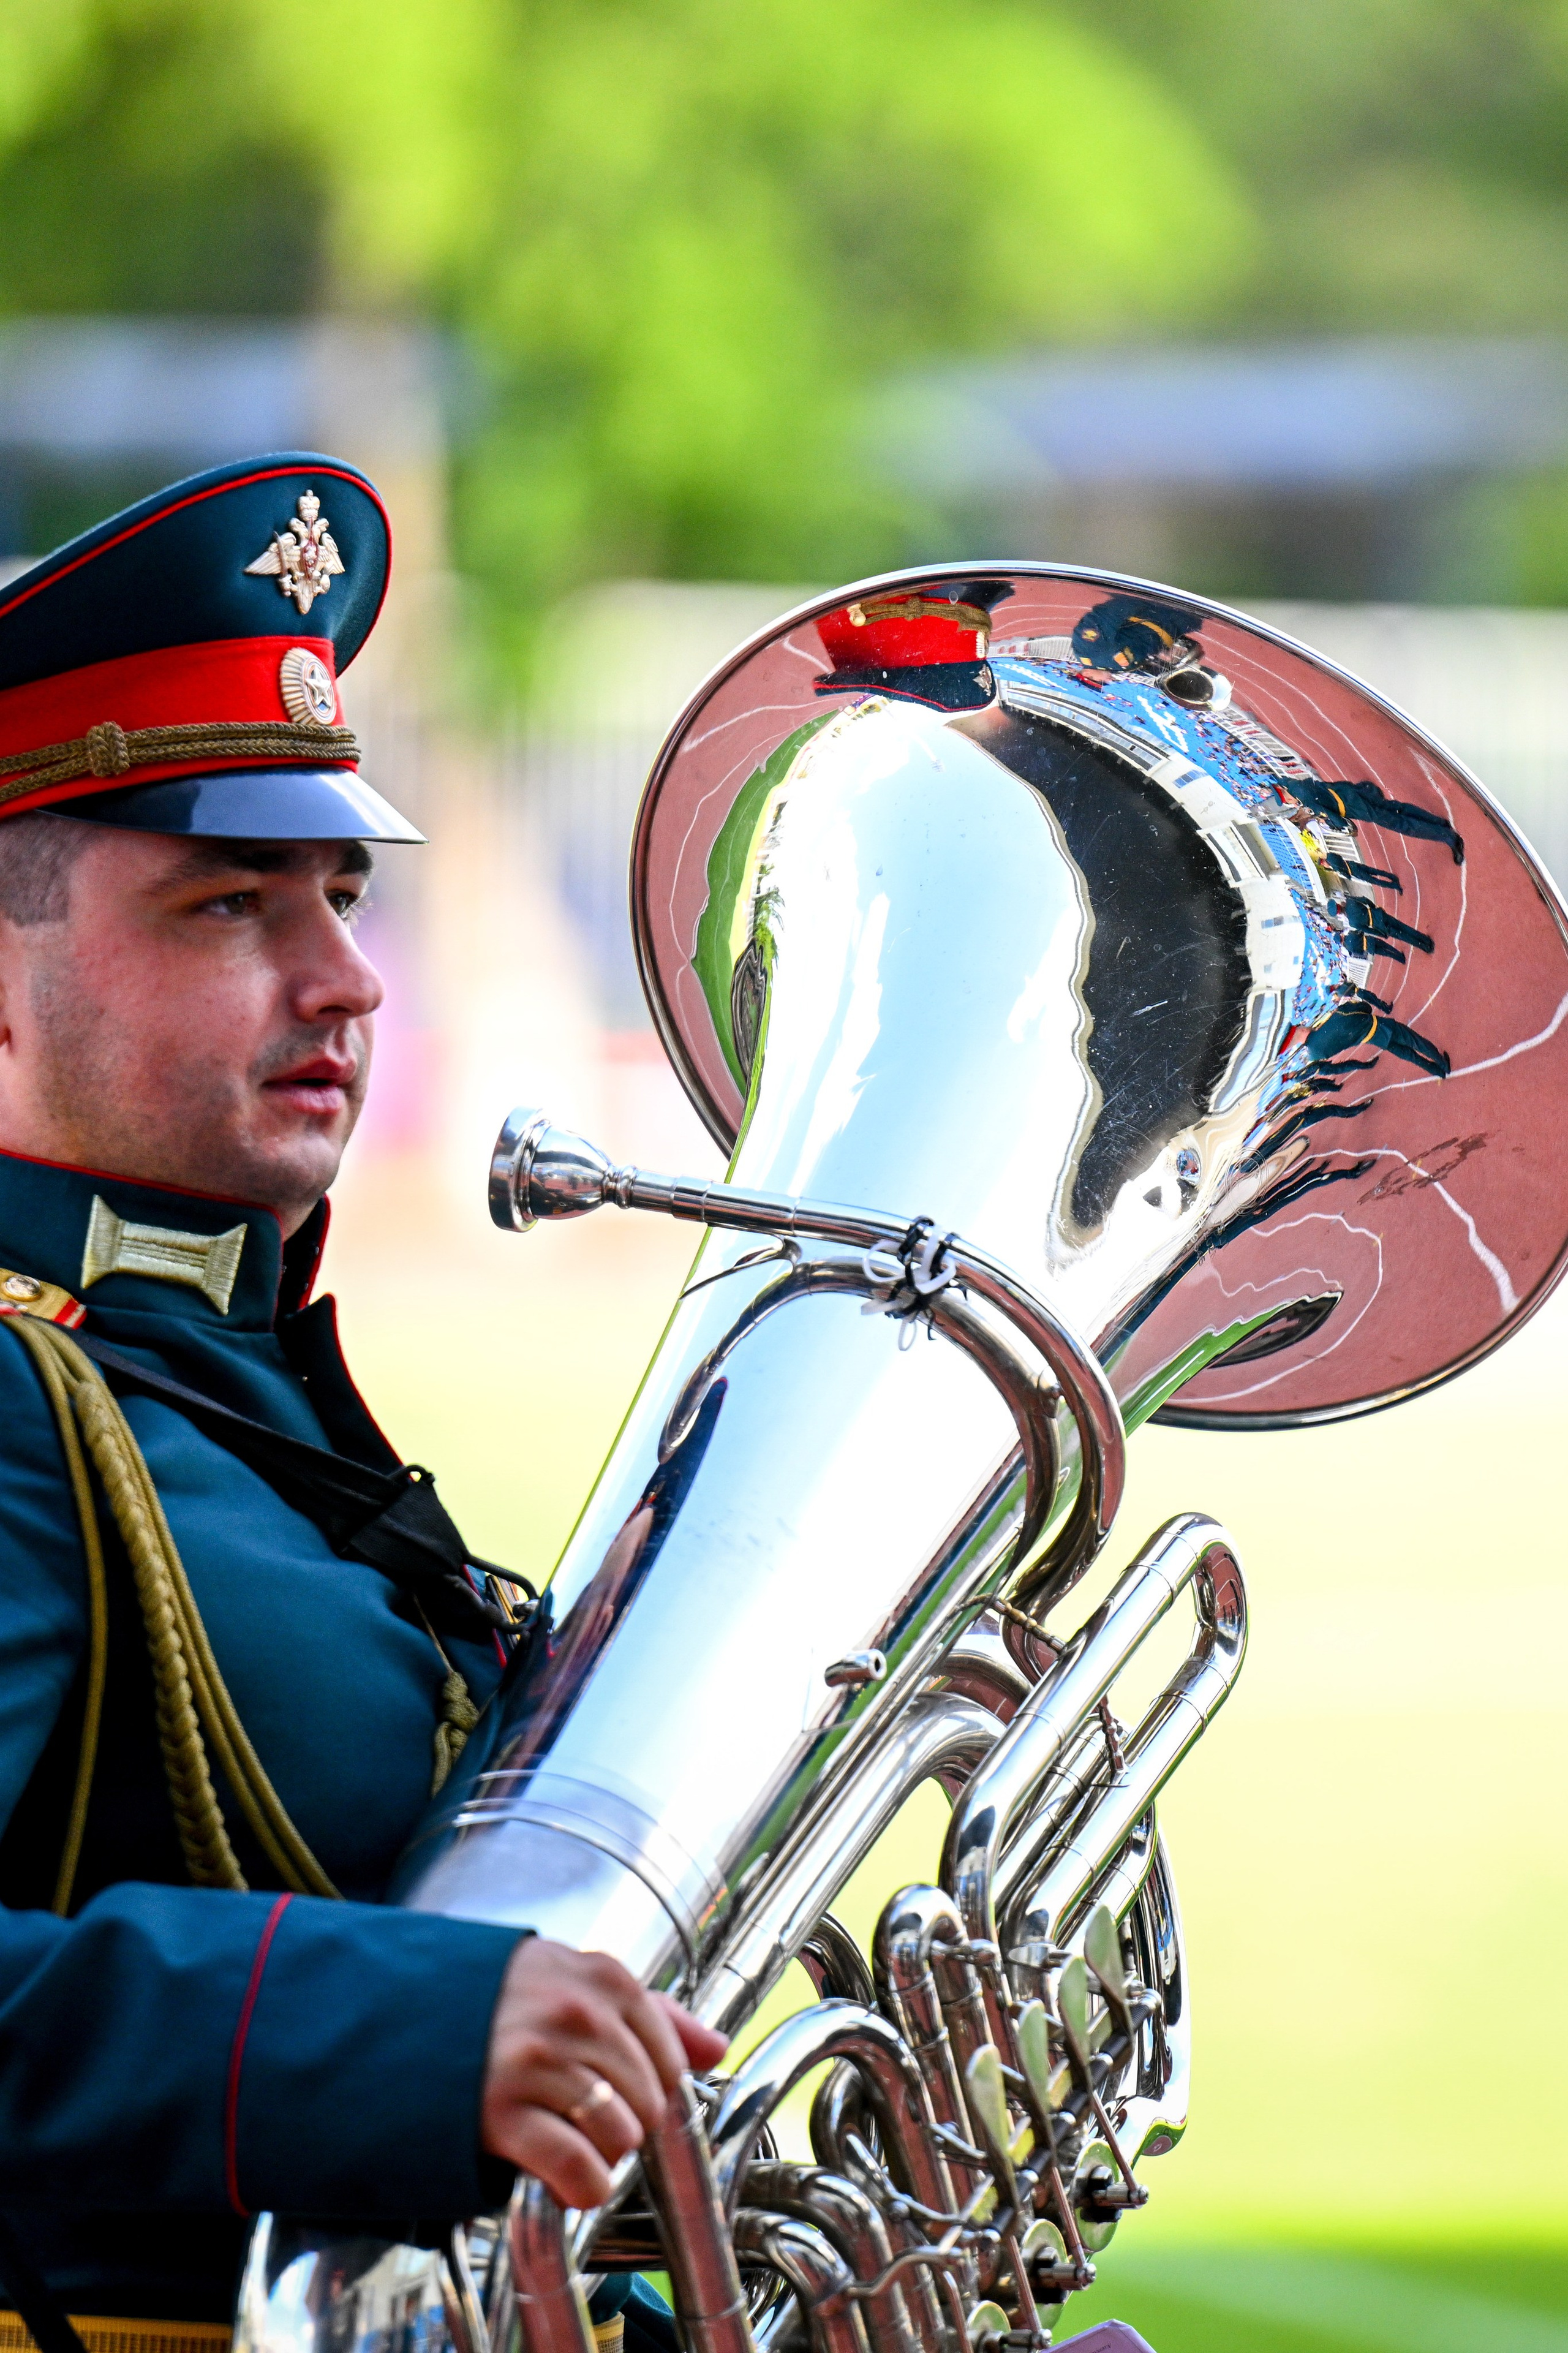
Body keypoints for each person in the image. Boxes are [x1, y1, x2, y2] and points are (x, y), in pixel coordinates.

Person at [0, 455, 726, 2353]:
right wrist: (398, 2027)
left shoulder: (223, 1376)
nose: (345, 976)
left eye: (339, 891)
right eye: (232, 903)